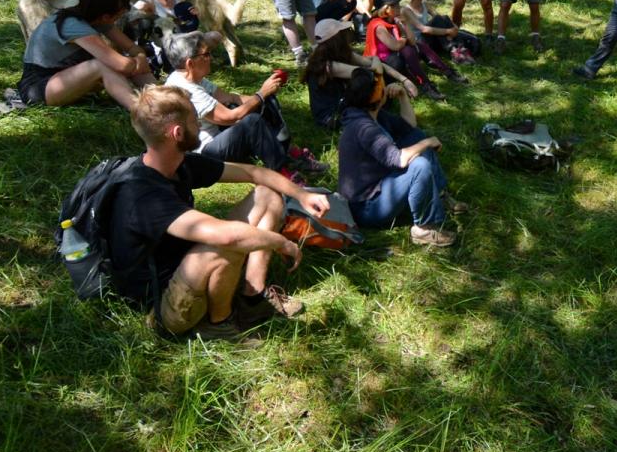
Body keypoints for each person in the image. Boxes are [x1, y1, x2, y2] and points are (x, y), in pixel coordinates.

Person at [108, 86, 326, 341]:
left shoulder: (179, 163)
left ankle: (252, 295)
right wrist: (282, 242)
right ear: (177, 133)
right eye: (193, 120)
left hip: (186, 268)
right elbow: (226, 237)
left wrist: (302, 195)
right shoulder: (142, 194)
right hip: (164, 305)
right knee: (227, 242)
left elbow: (253, 173)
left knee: (267, 194)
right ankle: (219, 324)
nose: (199, 125)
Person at [162, 32, 328, 181]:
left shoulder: (192, 77)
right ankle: (282, 172)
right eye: (206, 54)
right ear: (190, 63)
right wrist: (261, 94)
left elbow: (230, 97)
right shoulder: (186, 89)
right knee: (252, 122)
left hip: (218, 136)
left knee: (262, 103)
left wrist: (263, 98)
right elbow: (229, 117)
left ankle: (289, 153)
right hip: (205, 154)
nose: (210, 57)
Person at [338, 68, 464, 247]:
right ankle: (424, 228)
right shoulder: (364, 128)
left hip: (381, 186)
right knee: (419, 164)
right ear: (376, 96)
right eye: (382, 85)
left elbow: (410, 126)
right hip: (367, 207)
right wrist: (427, 143)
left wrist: (403, 96)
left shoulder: (373, 114)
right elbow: (399, 160)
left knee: (417, 137)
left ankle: (440, 196)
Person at [18, 0, 156, 110]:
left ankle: (161, 100)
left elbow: (132, 48)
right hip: (38, 87)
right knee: (102, 65)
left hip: (64, 79)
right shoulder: (72, 25)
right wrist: (138, 60)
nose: (117, 21)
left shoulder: (98, 20)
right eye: (118, 17)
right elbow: (122, 65)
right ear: (106, 16)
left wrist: (140, 57)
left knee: (125, 63)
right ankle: (140, 111)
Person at [303, 18, 422, 131]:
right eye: (344, 32)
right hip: (332, 117)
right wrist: (375, 61)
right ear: (337, 38)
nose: (348, 35)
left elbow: (376, 64)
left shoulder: (340, 53)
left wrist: (405, 80)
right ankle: (379, 108)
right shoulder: (328, 66)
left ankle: (380, 107)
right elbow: (372, 71)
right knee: (368, 79)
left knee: (386, 65)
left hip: (344, 104)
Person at [365, 0, 451, 101]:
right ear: (386, 9)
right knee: (407, 50)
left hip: (395, 57)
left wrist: (405, 24)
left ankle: (447, 71)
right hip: (382, 63)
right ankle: (425, 84)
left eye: (398, 4)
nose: (399, 7)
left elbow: (413, 41)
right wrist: (404, 37)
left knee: (420, 46)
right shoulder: (378, 26)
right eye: (395, 5)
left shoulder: (395, 20)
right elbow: (395, 46)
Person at [397, 0, 476, 68]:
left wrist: (454, 28)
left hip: (432, 38)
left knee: (443, 18)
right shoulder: (406, 10)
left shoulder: (425, 3)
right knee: (438, 19)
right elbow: (423, 29)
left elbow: (441, 19)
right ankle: (454, 50)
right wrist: (448, 31)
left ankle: (459, 48)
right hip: (421, 43)